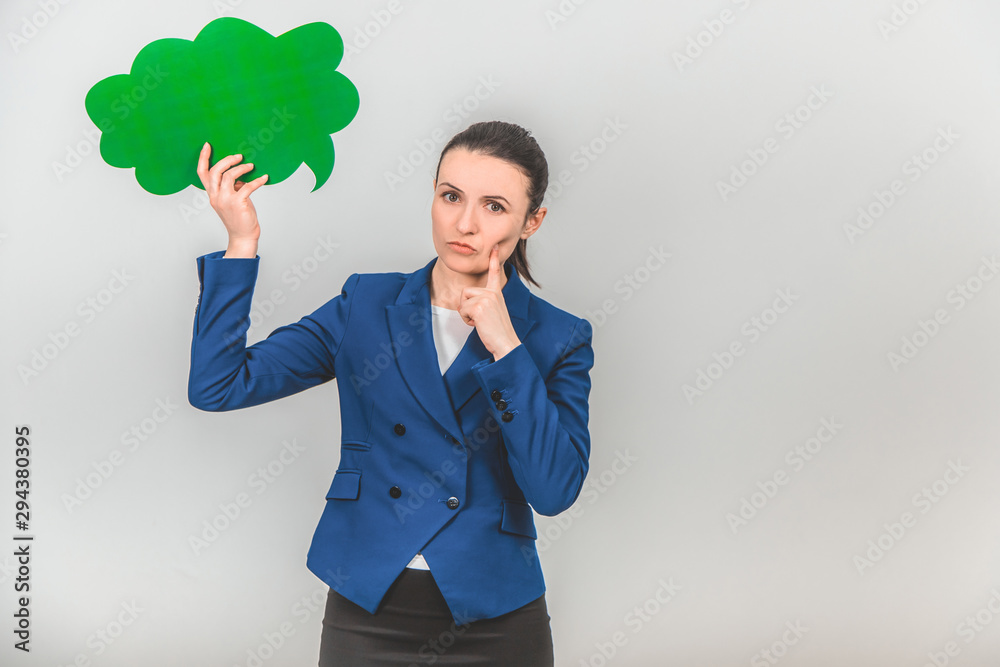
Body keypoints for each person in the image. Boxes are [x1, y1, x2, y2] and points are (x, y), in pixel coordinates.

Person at [188, 120, 595, 666]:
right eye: (451, 196)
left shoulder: (557, 336)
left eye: (494, 206)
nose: (465, 223)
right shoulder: (366, 303)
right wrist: (241, 243)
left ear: (532, 221)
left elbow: (553, 492)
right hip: (368, 600)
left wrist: (506, 348)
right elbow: (218, 385)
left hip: (496, 609)